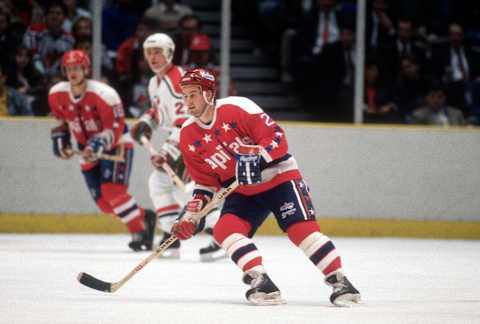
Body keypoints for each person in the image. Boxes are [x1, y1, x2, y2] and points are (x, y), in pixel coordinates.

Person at [170, 68, 361, 306]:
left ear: (209, 93)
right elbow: (205, 183)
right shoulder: (188, 134)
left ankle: (340, 282)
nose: (188, 102)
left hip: (278, 177)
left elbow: (277, 138)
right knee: (224, 230)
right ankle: (261, 281)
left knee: (300, 229)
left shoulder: (238, 107)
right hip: (241, 191)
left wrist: (258, 158)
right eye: (184, 96)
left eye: (193, 95)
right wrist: (192, 216)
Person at [47, 49, 156, 251]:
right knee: (104, 204)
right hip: (85, 147)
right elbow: (61, 121)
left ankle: (137, 232)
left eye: (77, 68)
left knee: (112, 191)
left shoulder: (105, 94)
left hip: (116, 144)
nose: (73, 72)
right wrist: (61, 139)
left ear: (85, 69)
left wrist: (99, 143)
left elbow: (116, 126)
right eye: (69, 68)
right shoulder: (56, 94)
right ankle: (143, 216)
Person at [129, 33, 225, 261]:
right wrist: (146, 122)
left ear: (170, 54)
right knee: (161, 182)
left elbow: (188, 121)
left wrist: (168, 150)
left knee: (190, 189)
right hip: (183, 139)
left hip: (197, 139)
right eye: (149, 52)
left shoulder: (179, 79)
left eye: (158, 52)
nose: (152, 57)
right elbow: (158, 111)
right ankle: (171, 238)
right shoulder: (155, 82)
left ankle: (221, 236)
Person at [23, 2, 74, 76]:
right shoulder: (33, 31)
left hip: (57, 77)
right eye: (51, 13)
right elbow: (31, 55)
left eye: (58, 13)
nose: (54, 16)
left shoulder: (69, 40)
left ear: (64, 18)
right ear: (45, 16)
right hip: (32, 74)